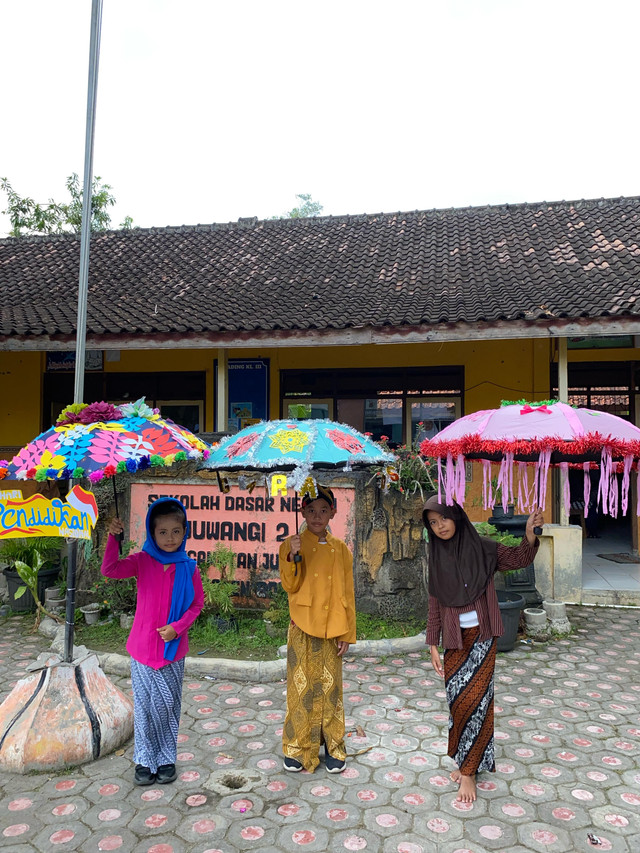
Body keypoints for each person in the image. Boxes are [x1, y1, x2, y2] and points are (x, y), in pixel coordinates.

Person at [424, 495, 543, 803]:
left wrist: (529, 534)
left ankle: (468, 772)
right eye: (433, 523)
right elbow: (435, 603)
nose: (440, 527)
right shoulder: (435, 556)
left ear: (457, 516)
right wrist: (432, 644)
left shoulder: (485, 549)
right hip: (453, 638)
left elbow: (519, 559)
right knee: (456, 701)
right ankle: (468, 759)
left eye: (444, 519)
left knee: (474, 701)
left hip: (482, 637)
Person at [102, 497, 204, 786]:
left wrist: (177, 628)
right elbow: (110, 569)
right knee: (145, 707)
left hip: (172, 650)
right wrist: (113, 537)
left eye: (176, 531)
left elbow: (197, 603)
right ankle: (144, 761)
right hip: (143, 650)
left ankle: (166, 759)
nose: (169, 538)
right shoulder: (141, 562)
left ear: (185, 531)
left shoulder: (189, 567)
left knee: (168, 706)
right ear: (151, 532)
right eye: (162, 532)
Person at [278, 485, 356, 774]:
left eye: (324, 510)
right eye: (311, 510)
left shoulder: (341, 550)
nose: (317, 516)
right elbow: (290, 586)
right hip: (301, 627)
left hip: (332, 630)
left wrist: (347, 632)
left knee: (331, 690)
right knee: (300, 689)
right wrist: (293, 556)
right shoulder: (291, 545)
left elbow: (347, 594)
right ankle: (297, 748)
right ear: (303, 512)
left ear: (333, 512)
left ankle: (334, 746)